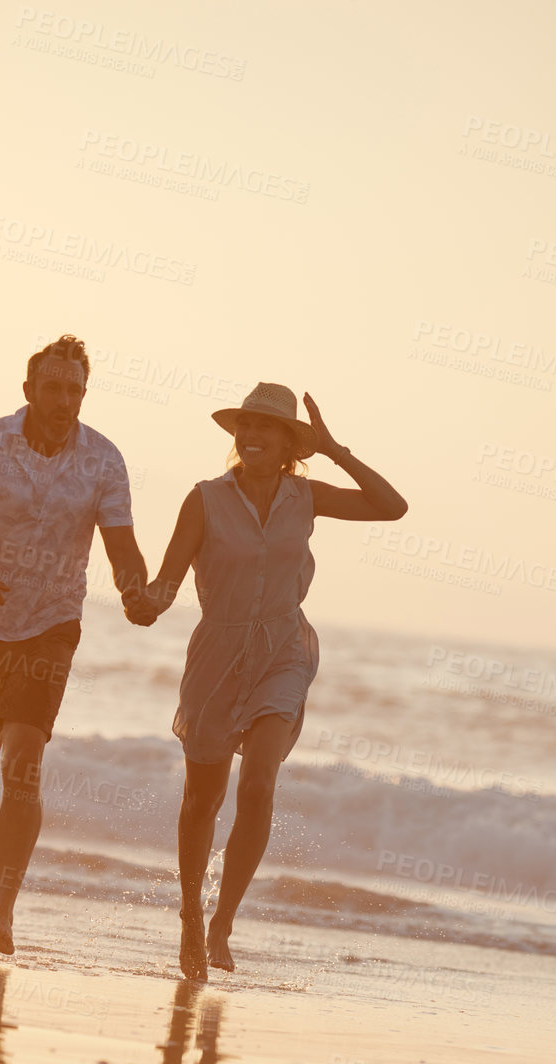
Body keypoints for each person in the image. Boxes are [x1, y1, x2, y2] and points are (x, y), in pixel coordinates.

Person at [127, 381, 407, 980]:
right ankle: (189, 916)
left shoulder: (307, 496)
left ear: (288, 444)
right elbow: (169, 580)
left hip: (284, 649)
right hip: (217, 654)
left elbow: (392, 507)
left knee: (257, 785)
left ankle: (223, 922)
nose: (251, 435)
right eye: (245, 426)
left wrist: (336, 449)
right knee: (203, 799)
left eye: (266, 428)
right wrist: (146, 601)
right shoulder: (204, 500)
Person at [0, 335, 151, 953]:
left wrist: (135, 592)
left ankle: (2, 913)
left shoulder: (103, 460)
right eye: (53, 387)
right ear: (29, 391)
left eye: (75, 389)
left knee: (24, 762)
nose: (65, 399)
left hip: (52, 625)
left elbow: (120, 543)